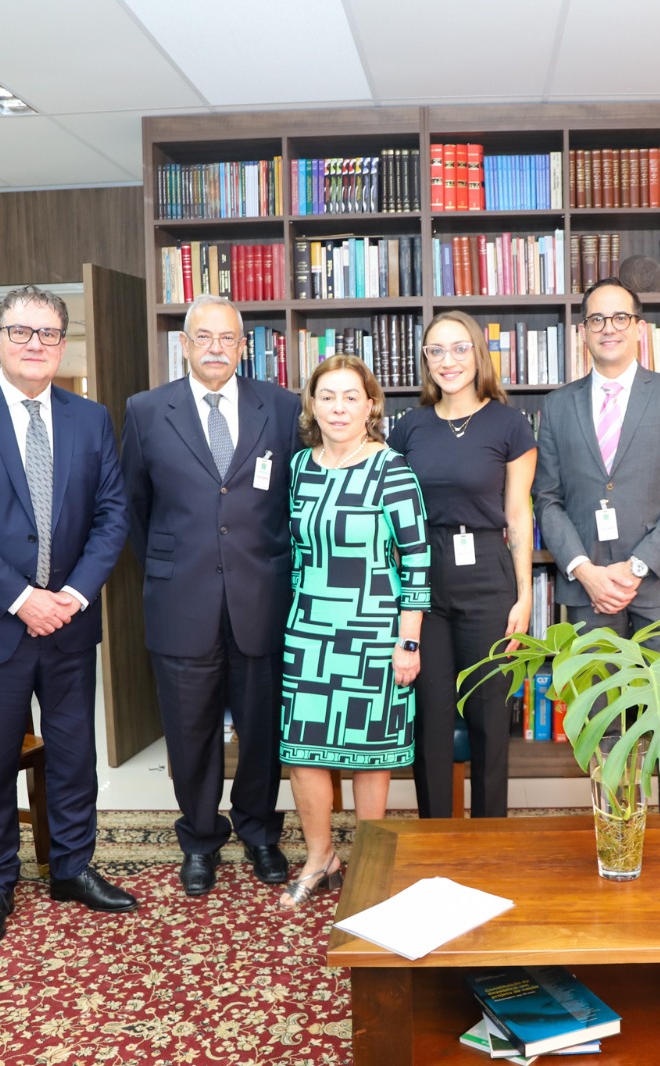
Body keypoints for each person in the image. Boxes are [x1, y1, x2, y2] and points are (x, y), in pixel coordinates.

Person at [0, 285, 135, 951]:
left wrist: (70, 596)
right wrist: (22, 598)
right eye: (22, 332)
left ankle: (72, 867)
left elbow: (112, 514)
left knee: (74, 756)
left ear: (63, 345)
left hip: (68, 623)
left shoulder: (89, 417)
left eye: (48, 333)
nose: (36, 344)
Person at [120, 294, 302, 897]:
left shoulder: (281, 407)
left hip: (262, 597)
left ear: (244, 346)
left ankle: (258, 832)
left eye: (228, 338)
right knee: (189, 732)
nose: (217, 348)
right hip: (181, 600)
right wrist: (172, 568)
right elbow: (134, 508)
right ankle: (199, 838)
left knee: (261, 730)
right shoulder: (146, 411)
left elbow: (293, 502)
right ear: (185, 344)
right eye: (205, 338)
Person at [533, 277, 660, 811]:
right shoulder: (558, 405)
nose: (607, 328)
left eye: (619, 318)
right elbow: (548, 499)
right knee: (605, 719)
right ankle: (615, 831)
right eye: (596, 319)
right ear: (582, 330)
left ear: (639, 326)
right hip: (590, 593)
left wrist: (637, 566)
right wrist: (584, 569)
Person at [278, 355, 430, 907]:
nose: (339, 407)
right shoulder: (298, 468)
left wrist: (408, 640)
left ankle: (369, 862)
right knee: (303, 752)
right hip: (309, 630)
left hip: (375, 631)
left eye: (351, 396)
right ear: (312, 405)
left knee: (373, 756)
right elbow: (289, 553)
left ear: (371, 406)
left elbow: (416, 560)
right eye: (328, 396)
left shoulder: (393, 469)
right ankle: (321, 857)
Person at [389, 311, 536, 818]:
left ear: (478, 354)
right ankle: (434, 837)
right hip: (423, 579)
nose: (447, 360)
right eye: (435, 350)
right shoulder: (409, 427)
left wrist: (525, 595)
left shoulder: (510, 424)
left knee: (488, 718)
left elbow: (518, 513)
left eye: (458, 348)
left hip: (488, 581)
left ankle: (490, 837)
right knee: (429, 718)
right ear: (425, 360)